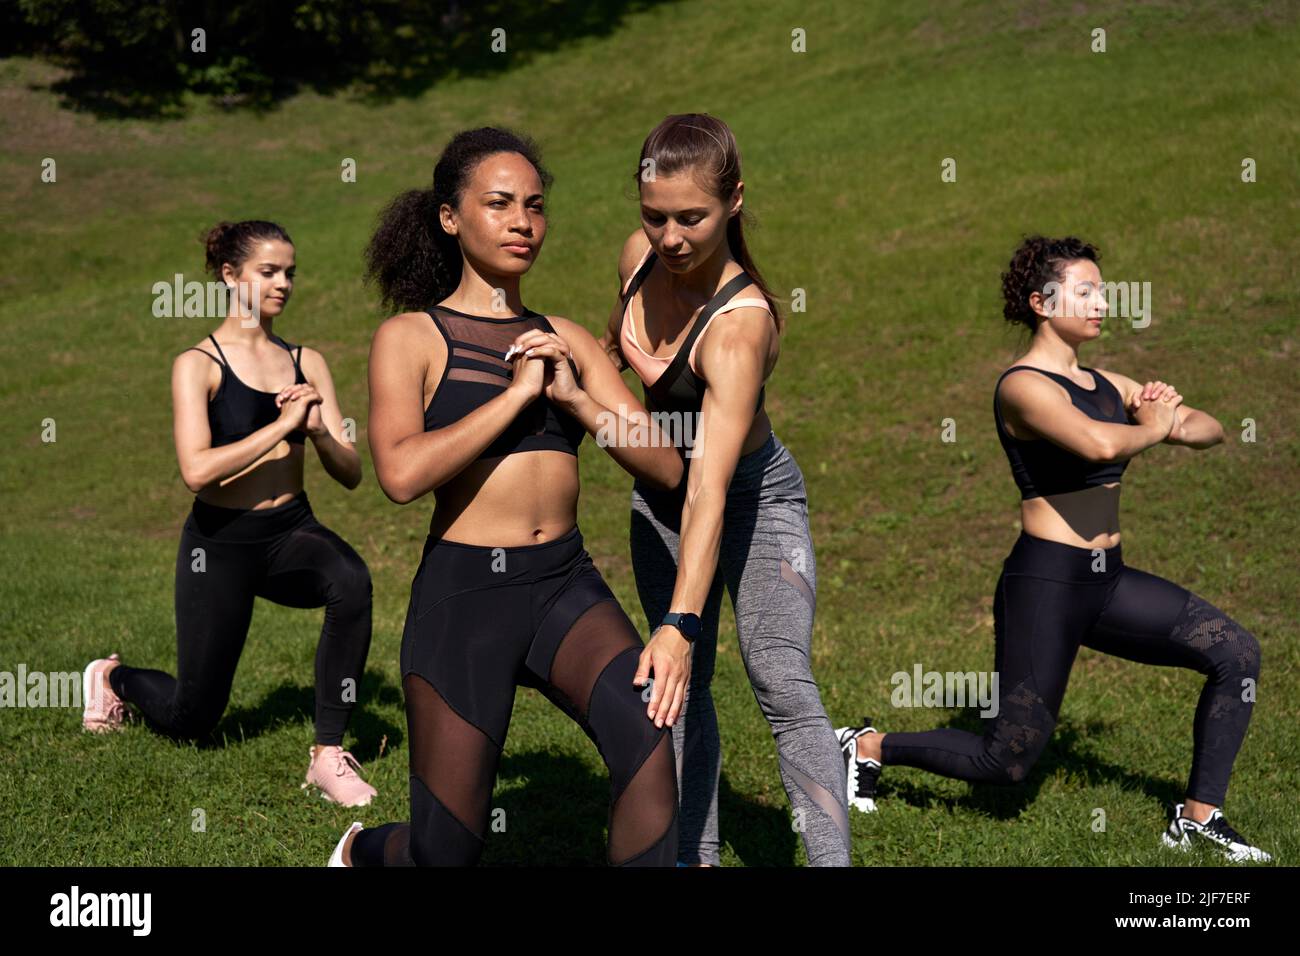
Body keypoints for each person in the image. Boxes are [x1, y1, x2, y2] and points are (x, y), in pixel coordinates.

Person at [836, 236, 1270, 863]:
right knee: (1005, 761)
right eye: (1086, 291)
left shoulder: (1106, 382)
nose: (1102, 301)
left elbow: (1211, 429)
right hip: (1045, 585)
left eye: (1103, 289)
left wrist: (1169, 412)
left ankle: (1198, 818)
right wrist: (1151, 425)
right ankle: (869, 746)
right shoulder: (1022, 388)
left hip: (1109, 582)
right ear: (1042, 302)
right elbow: (1096, 445)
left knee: (1236, 653)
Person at [332, 127, 684, 866]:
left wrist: (576, 398)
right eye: (498, 204)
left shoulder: (566, 338)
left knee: (649, 749)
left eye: (534, 205)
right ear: (450, 217)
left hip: (564, 585)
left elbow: (666, 465)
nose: (523, 221)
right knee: (445, 853)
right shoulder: (411, 337)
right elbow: (399, 474)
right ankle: (363, 854)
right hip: (464, 600)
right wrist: (517, 395)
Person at [599, 114, 850, 867]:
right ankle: (691, 856)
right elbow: (617, 347)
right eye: (654, 216)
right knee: (680, 689)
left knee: (779, 678)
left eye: (691, 218)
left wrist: (680, 616)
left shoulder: (740, 330)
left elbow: (710, 486)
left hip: (749, 497)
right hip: (662, 500)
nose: (669, 237)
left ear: (734, 201)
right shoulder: (637, 258)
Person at [82, 219, 379, 808]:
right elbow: (196, 470)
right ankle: (111, 677)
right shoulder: (198, 364)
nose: (283, 283)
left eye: (289, 272)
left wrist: (319, 432)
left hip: (290, 531)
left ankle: (327, 755)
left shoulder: (307, 360)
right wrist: (281, 427)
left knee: (351, 581)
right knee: (192, 717)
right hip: (216, 546)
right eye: (268, 271)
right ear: (229, 275)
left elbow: (351, 472)